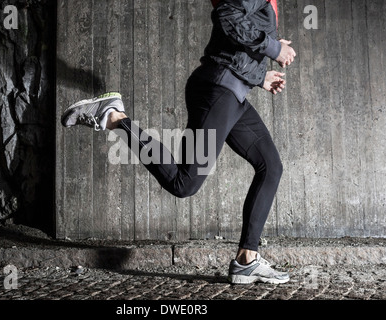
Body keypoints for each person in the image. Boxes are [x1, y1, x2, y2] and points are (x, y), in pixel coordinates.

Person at [61, 0, 296, 284]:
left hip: (233, 95)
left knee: (270, 166)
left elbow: (233, 44)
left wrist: (260, 75)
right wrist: (273, 48)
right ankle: (113, 117)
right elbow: (227, 18)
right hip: (217, 92)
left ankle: (247, 259)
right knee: (184, 184)